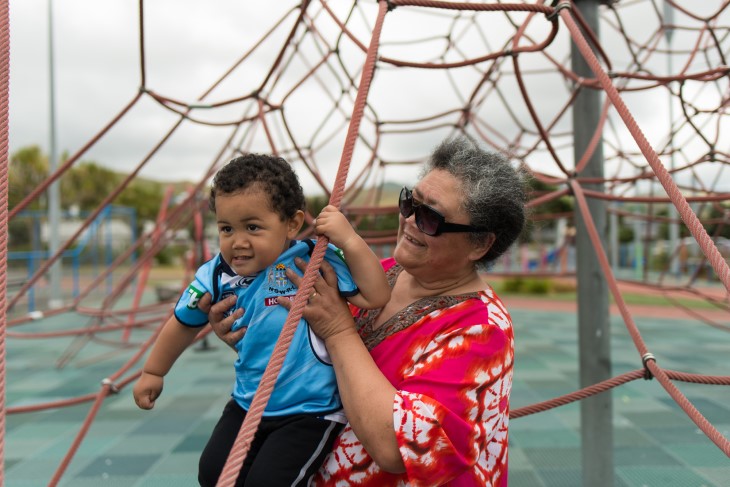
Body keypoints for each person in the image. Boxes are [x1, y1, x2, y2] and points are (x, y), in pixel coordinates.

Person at [207, 135, 528, 486]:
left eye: (430, 218)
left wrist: (339, 330)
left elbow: (397, 449)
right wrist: (247, 328)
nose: (408, 221)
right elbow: (300, 348)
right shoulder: (374, 274)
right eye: (410, 202)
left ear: (480, 244)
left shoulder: (481, 330)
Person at [132, 153, 390, 486]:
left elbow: (375, 296)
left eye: (253, 227)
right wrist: (154, 371)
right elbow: (183, 321)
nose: (238, 241)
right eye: (227, 228)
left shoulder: (310, 260)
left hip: (309, 409)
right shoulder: (217, 274)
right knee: (212, 473)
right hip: (248, 402)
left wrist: (350, 240)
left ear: (292, 224)